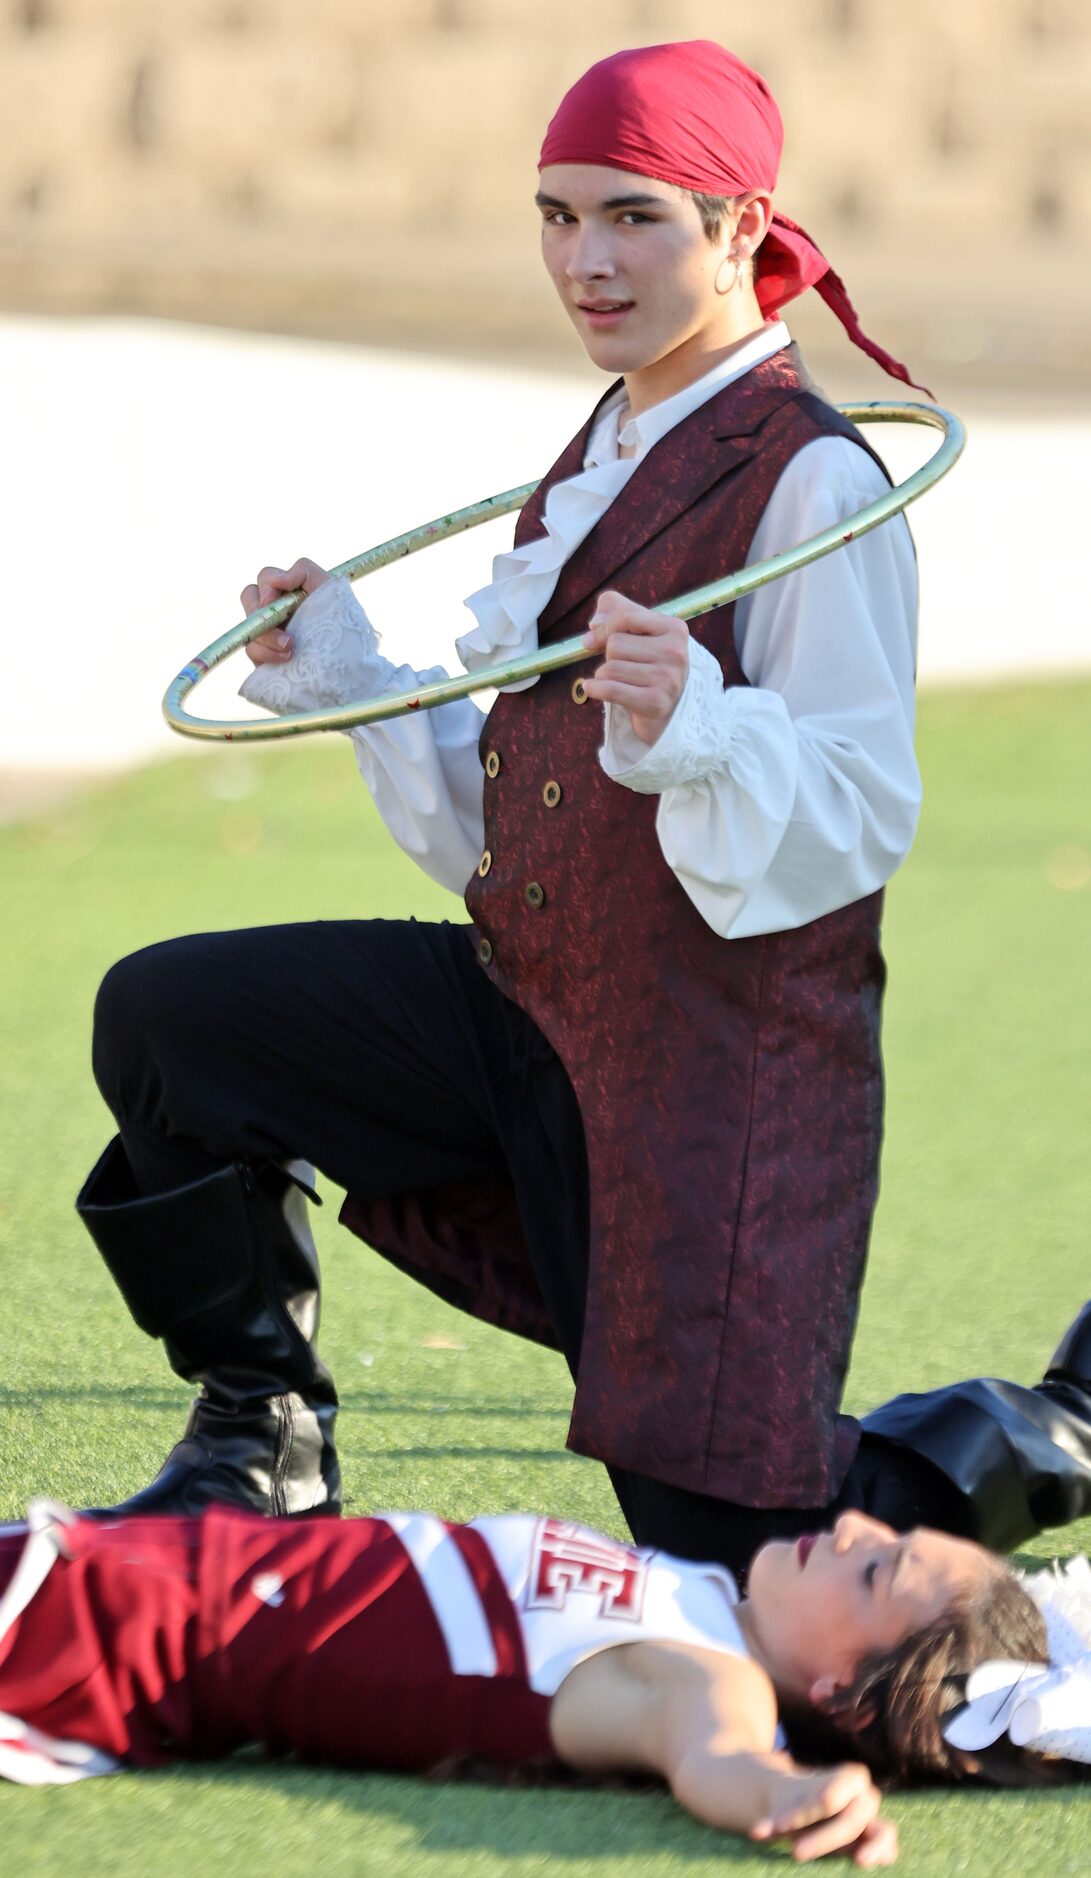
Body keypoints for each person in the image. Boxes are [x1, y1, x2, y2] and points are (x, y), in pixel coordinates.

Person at [76, 42, 1091, 1571]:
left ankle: (1065, 1421)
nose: (583, 261)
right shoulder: (606, 445)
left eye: (631, 218)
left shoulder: (809, 482)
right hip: (525, 1009)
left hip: (707, 1072)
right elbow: (524, 814)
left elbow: (853, 816)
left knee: (747, 1555)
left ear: (741, 228)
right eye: (554, 217)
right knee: (173, 1017)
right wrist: (353, 665)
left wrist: (703, 727)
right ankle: (258, 1446)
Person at [0, 1498, 1075, 1861]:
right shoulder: (697, 1599)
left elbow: (713, 1753)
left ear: (844, 1691)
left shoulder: (705, 1677)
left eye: (875, 1569)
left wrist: (784, 1791)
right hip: (106, 1578)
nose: (849, 1526)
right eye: (882, 1533)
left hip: (96, 1635)